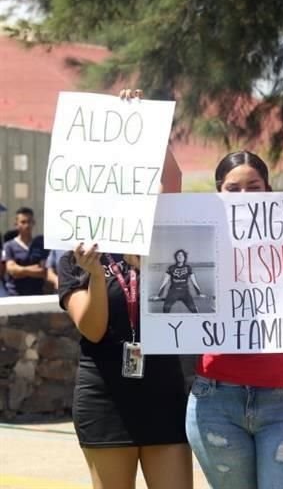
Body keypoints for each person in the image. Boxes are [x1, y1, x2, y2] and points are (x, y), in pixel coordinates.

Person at [56, 88, 192, 489]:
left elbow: (174, 179)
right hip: (105, 397)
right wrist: (96, 274)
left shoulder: (164, 241)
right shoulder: (75, 256)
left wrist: (146, 126)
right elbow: (93, 330)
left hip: (163, 389)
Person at [185, 150, 283, 489]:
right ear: (218, 193)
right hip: (216, 399)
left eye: (253, 187)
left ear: (268, 190)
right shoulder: (199, 241)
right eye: (233, 188)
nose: (243, 196)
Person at [2, 207, 51, 296]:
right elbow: (11, 270)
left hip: (37, 294)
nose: (27, 225)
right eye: (23, 222)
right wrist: (32, 270)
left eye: (29, 221)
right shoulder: (9, 246)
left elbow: (43, 271)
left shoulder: (40, 244)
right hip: (14, 294)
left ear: (34, 223)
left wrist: (21, 270)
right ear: (16, 224)